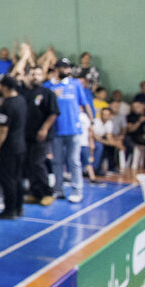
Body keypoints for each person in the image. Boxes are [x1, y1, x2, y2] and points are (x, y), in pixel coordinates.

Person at [44, 58, 93, 203]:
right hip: (56, 130)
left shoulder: (75, 84)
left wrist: (92, 122)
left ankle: (77, 191)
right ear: (56, 69)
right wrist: (54, 96)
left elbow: (85, 103)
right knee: (57, 161)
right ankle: (58, 190)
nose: (67, 70)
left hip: (74, 129)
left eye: (68, 68)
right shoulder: (48, 86)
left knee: (74, 161)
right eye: (64, 68)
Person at [0, 76, 28, 219]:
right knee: (17, 179)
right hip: (20, 146)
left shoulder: (7, 106)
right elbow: (3, 113)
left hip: (8, 148)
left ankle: (9, 210)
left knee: (7, 179)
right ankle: (18, 207)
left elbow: (2, 129)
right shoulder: (20, 101)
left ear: (5, 87)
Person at [22, 66, 60, 206]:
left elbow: (53, 113)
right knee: (29, 164)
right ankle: (35, 192)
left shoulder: (47, 93)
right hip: (27, 135)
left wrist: (44, 129)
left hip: (41, 136)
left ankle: (47, 193)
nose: (35, 77)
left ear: (42, 76)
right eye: (32, 74)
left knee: (38, 163)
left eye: (38, 74)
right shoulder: (25, 93)